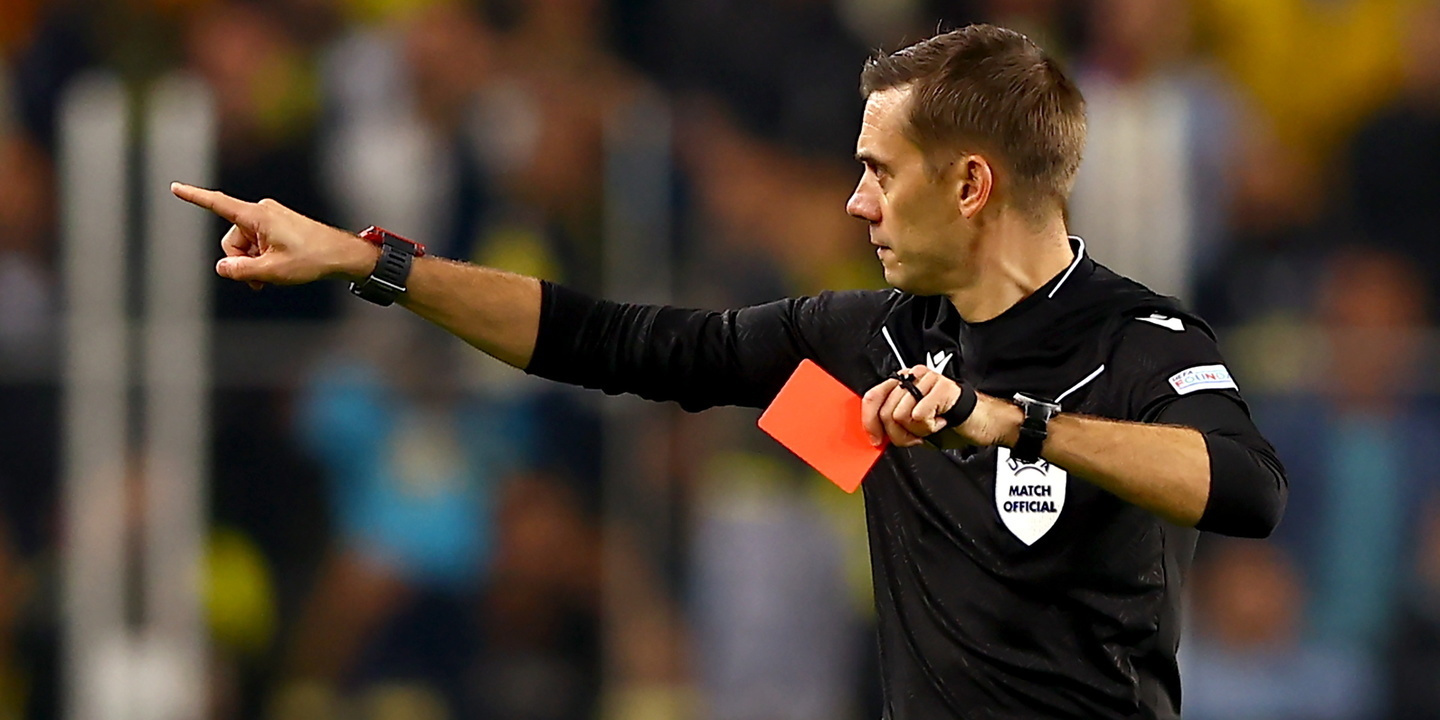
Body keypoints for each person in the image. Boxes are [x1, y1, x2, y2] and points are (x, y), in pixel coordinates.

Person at [172, 24, 1287, 720]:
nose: (853, 204)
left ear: (971, 185)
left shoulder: (1144, 338)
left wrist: (1017, 426)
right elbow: (609, 341)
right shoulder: (864, 335)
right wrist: (374, 262)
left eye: (877, 172)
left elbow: (1248, 487)